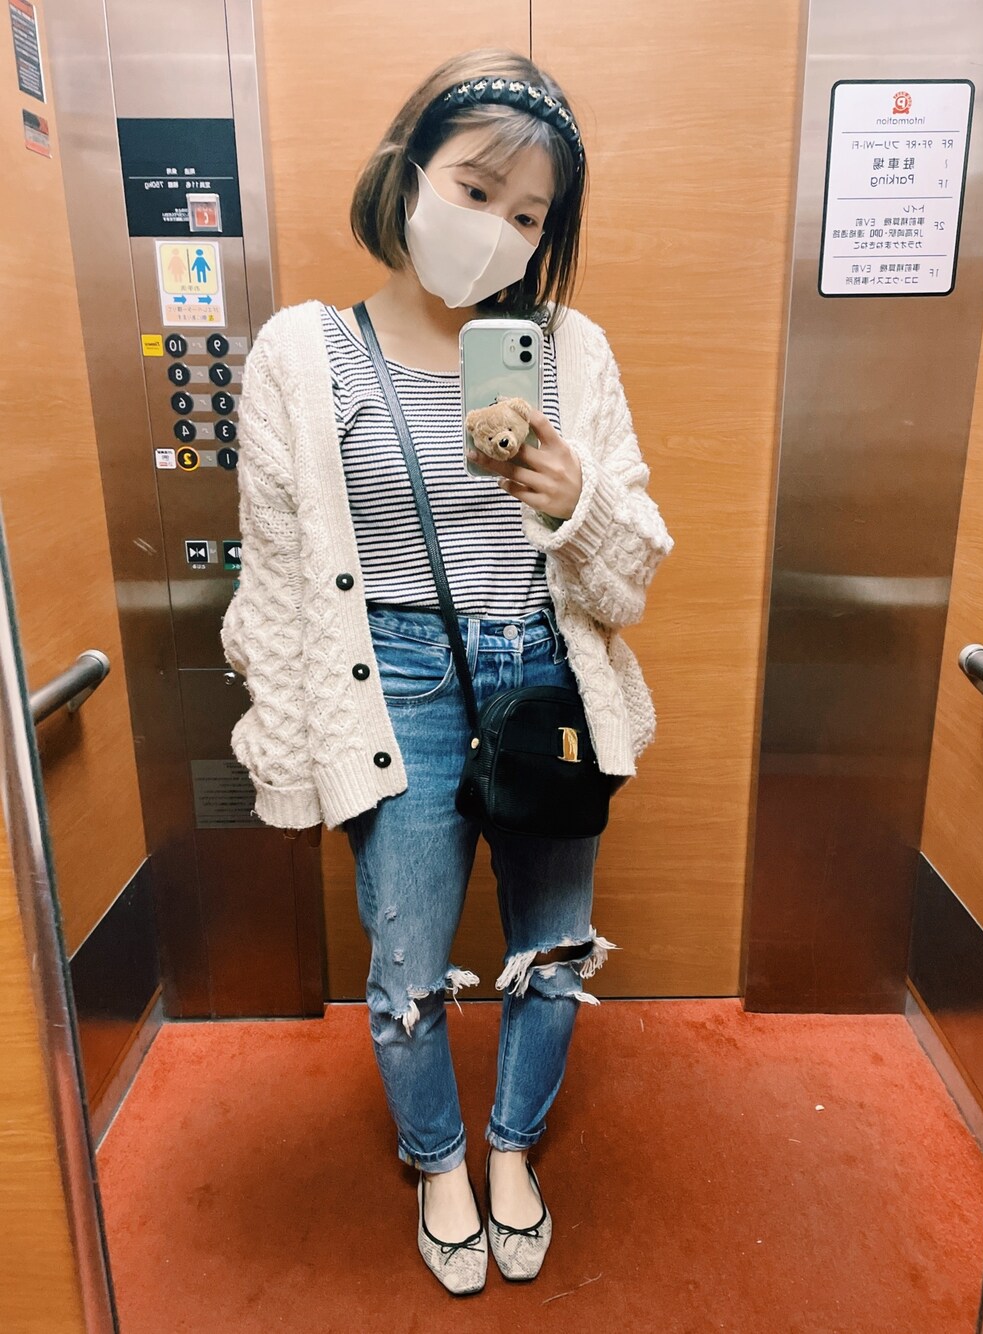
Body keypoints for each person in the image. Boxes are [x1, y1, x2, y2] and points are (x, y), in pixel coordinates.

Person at [221, 48, 673, 1296]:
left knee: (553, 947)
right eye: (475, 191)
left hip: (543, 679)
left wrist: (576, 500)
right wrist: (292, 760)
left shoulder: (568, 350)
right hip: (394, 685)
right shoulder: (304, 353)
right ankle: (438, 1161)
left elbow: (628, 578)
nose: (496, 232)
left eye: (528, 216)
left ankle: (512, 1146)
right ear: (408, 169)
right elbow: (274, 581)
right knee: (407, 964)